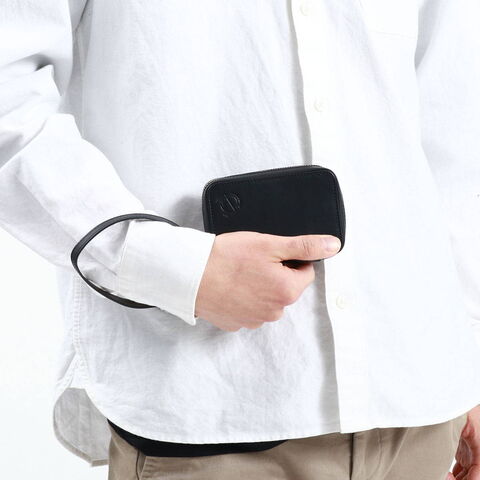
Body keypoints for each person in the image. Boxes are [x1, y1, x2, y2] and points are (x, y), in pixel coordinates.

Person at [1, 1, 480, 479]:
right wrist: (173, 268)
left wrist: (470, 361)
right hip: (211, 412)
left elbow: (452, 132)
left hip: (421, 409)